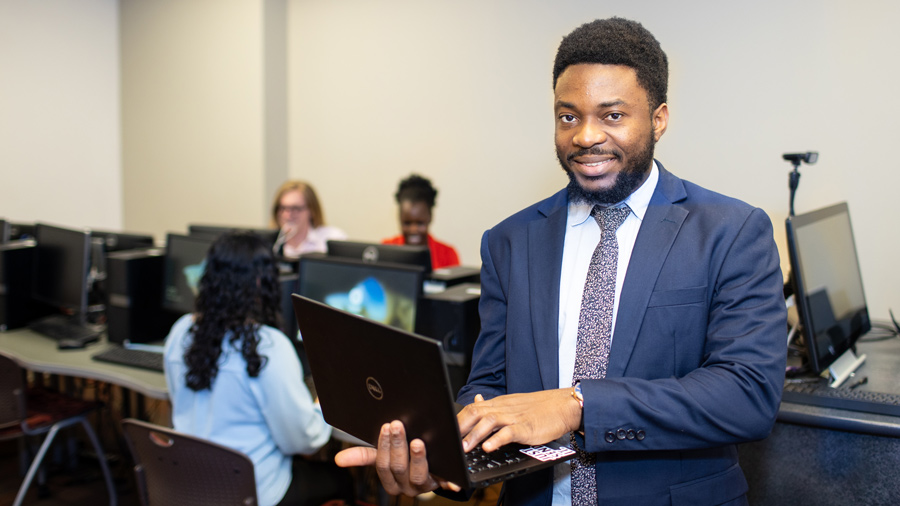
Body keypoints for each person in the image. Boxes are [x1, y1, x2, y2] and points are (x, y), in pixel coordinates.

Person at [335, 17, 787, 506]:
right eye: (568, 116)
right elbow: (489, 385)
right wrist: (446, 453)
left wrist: (577, 406)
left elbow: (747, 394)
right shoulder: (509, 241)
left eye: (612, 115)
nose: (585, 136)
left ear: (658, 119)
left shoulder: (730, 231)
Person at [164, 231, 353, 506]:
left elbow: (176, 399)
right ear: (260, 281)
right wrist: (318, 404)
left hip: (190, 487)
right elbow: (303, 441)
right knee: (341, 478)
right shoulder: (268, 347)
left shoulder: (180, 332)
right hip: (253, 494)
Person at [382, 174, 461, 269]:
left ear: (430, 217)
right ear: (399, 218)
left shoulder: (447, 255)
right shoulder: (386, 249)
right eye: (407, 223)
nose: (413, 229)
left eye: (420, 223)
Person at [271, 180, 346, 258]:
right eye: (282, 208)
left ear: (312, 210)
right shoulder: (272, 244)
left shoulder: (333, 238)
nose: (287, 214)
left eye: (296, 208)